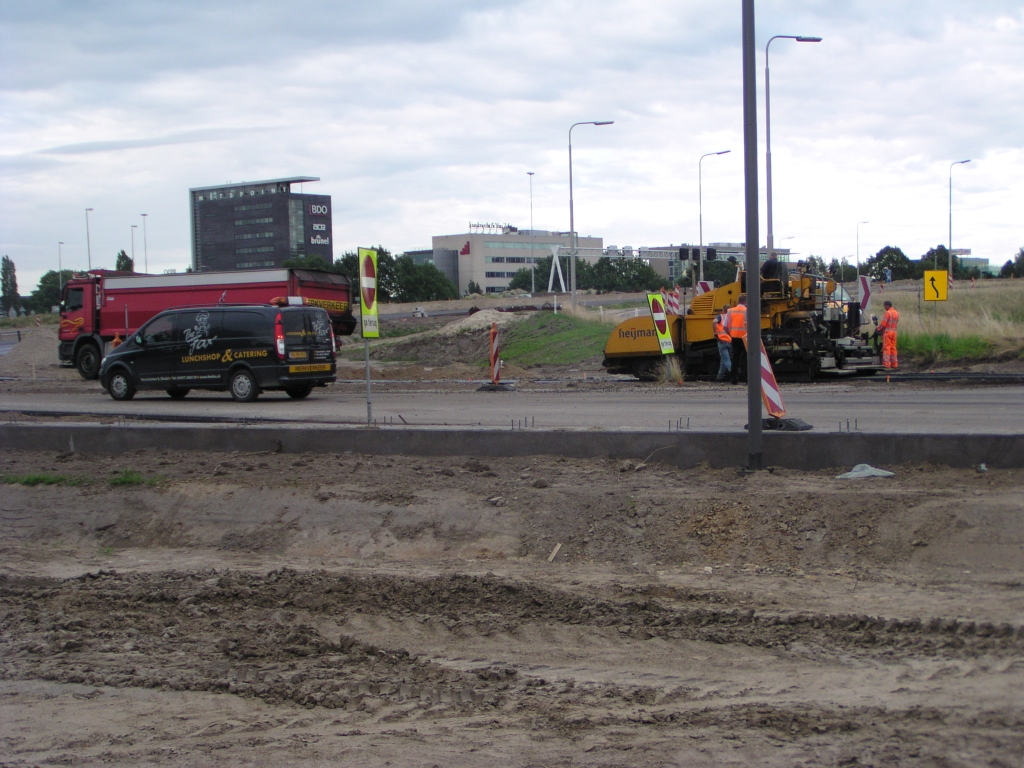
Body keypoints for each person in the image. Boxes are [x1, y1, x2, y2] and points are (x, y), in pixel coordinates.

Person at [725, 295, 748, 384]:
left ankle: (734, 379)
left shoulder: (730, 311)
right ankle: (747, 379)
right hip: (745, 337)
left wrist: (730, 334)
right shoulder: (747, 311)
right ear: (745, 302)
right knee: (746, 358)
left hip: (734, 337)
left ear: (738, 301)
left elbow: (725, 326)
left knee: (735, 358)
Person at [877, 300, 900, 369]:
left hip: (887, 333)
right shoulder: (897, 313)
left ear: (887, 305)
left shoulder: (887, 313)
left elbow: (883, 324)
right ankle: (894, 363)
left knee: (887, 348)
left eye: (885, 306)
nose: (884, 307)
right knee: (893, 347)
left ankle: (886, 364)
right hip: (894, 332)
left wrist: (878, 329)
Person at [713, 310, 731, 381]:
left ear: (723, 310)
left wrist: (715, 333)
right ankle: (719, 376)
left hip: (721, 340)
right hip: (729, 340)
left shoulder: (721, 316)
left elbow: (714, 321)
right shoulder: (731, 317)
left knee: (726, 359)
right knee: (723, 359)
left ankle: (732, 373)